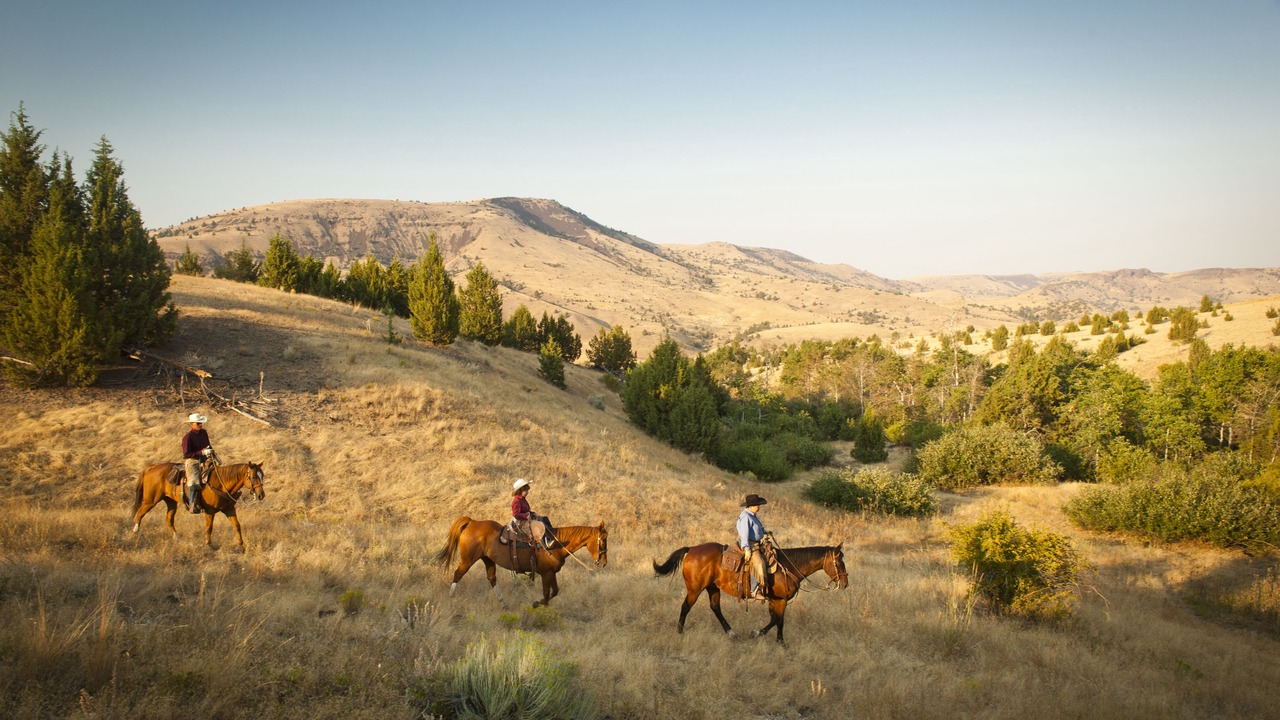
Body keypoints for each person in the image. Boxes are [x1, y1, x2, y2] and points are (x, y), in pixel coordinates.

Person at [737, 493, 769, 600]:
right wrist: (747, 549)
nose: (758, 507)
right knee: (759, 564)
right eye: (757, 505)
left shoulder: (752, 515)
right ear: (750, 506)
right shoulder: (746, 517)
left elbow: (756, 528)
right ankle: (755, 590)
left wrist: (764, 532)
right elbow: (745, 534)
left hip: (756, 543)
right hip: (750, 544)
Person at [182, 413, 215, 513]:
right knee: (194, 481)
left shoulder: (204, 433)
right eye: (198, 423)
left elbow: (208, 445)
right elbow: (186, 454)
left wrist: (210, 451)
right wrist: (201, 452)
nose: (201, 425)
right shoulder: (187, 437)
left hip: (205, 459)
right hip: (193, 461)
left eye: (201, 423)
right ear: (192, 424)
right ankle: (193, 504)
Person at [511, 478, 547, 547]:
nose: (527, 492)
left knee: (544, 519)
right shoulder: (517, 501)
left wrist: (532, 513)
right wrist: (525, 516)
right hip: (520, 521)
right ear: (520, 491)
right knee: (537, 525)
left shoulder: (523, 499)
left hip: (525, 519)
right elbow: (516, 514)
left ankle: (548, 538)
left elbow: (526, 511)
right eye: (525, 490)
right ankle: (541, 544)